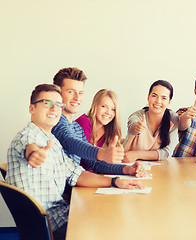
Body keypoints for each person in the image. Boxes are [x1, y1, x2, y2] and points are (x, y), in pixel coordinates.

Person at [6, 84, 144, 240]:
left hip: (62, 214)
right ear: (32, 109)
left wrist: (115, 181)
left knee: (115, 213)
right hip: (50, 225)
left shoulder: (52, 141)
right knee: (116, 225)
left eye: (58, 105)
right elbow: (30, 148)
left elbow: (77, 174)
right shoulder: (28, 137)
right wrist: (34, 154)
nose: (54, 109)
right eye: (47, 104)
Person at [25, 67, 144, 176]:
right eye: (71, 92)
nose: (77, 98)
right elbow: (69, 141)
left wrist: (126, 170)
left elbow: (94, 164)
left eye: (80, 93)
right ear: (58, 94)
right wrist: (102, 153)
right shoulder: (54, 120)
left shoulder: (76, 127)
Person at [123, 80, 179, 161]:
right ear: (148, 97)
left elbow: (166, 153)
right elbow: (132, 124)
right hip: (128, 164)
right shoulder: (138, 115)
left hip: (156, 168)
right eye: (154, 96)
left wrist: (137, 154)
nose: (158, 101)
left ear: (169, 102)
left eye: (164, 98)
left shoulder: (172, 119)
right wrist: (136, 128)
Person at [75, 89, 122, 170]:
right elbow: (86, 161)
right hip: (78, 176)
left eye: (113, 109)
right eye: (103, 106)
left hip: (94, 175)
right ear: (95, 106)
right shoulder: (83, 122)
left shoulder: (109, 130)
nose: (108, 112)